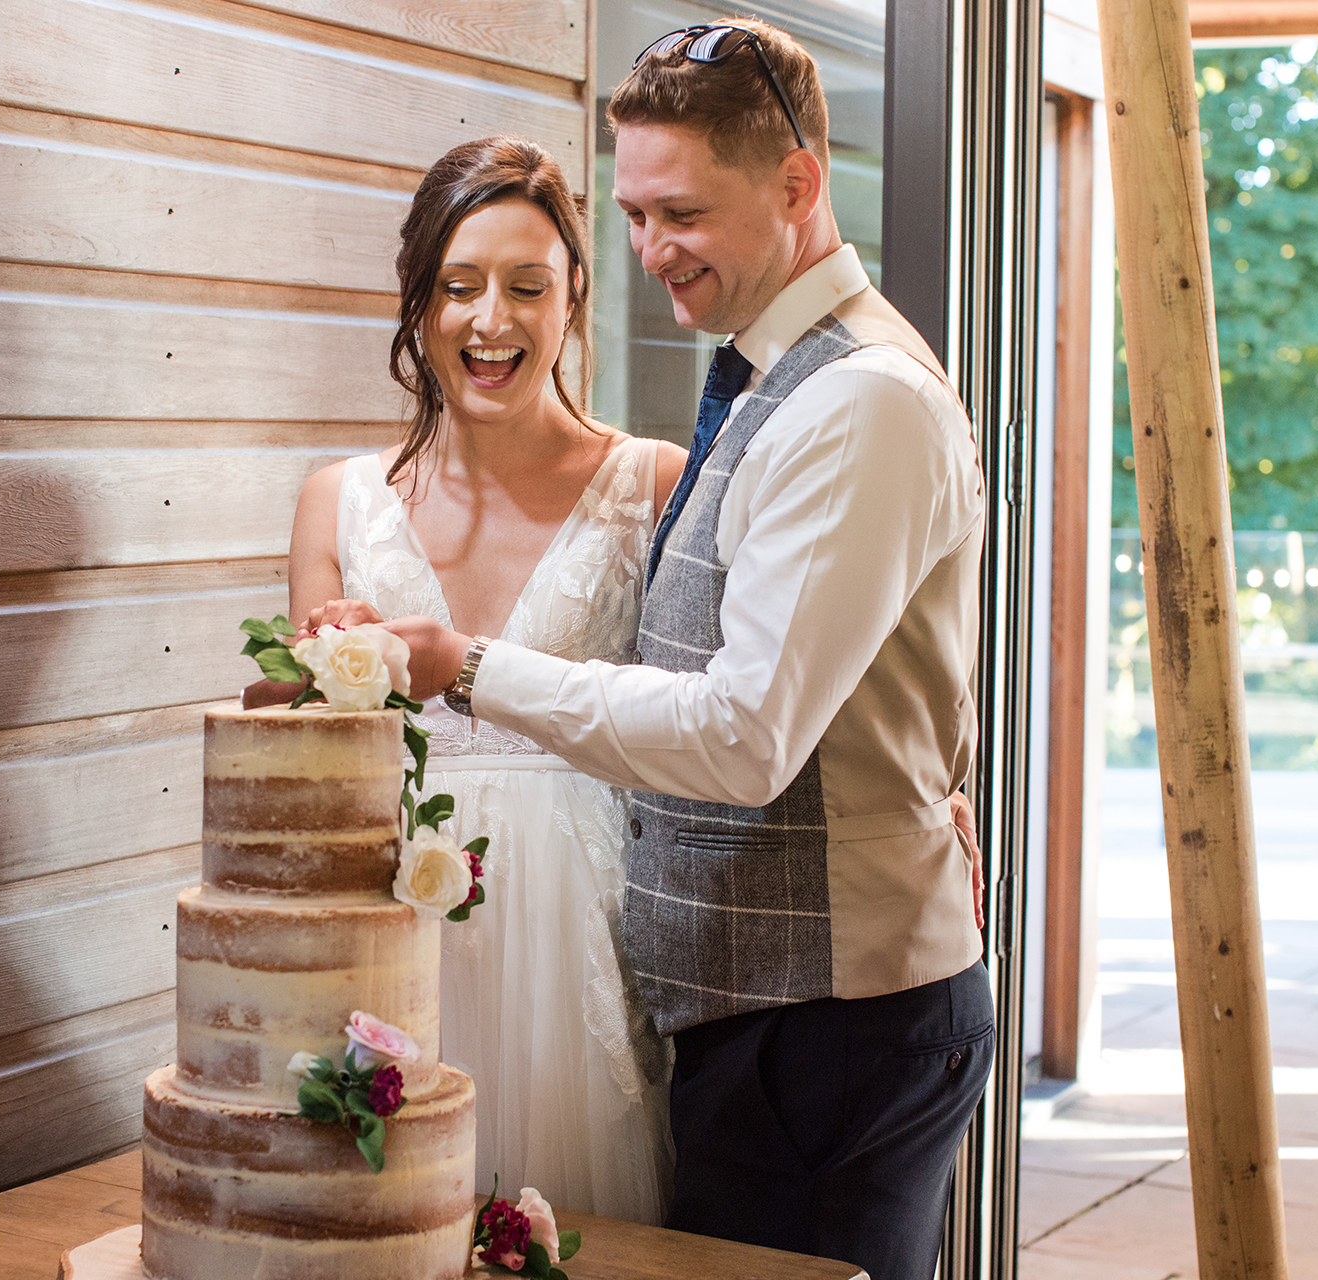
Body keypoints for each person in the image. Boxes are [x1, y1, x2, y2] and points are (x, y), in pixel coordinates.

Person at [380, 20, 994, 1279]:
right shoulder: (773, 379)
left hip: (827, 1031)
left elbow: (744, 733)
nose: (655, 250)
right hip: (765, 1019)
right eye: (639, 215)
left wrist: (474, 665)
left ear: (797, 185)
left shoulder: (861, 400)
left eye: (684, 213)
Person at [254, 136, 685, 1223]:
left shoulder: (653, 484)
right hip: (397, 935)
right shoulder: (337, 500)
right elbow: (299, 758)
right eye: (458, 287)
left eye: (526, 286)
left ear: (573, 298)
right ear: (418, 304)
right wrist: (304, 687)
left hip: (588, 938)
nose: (491, 320)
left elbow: (714, 716)